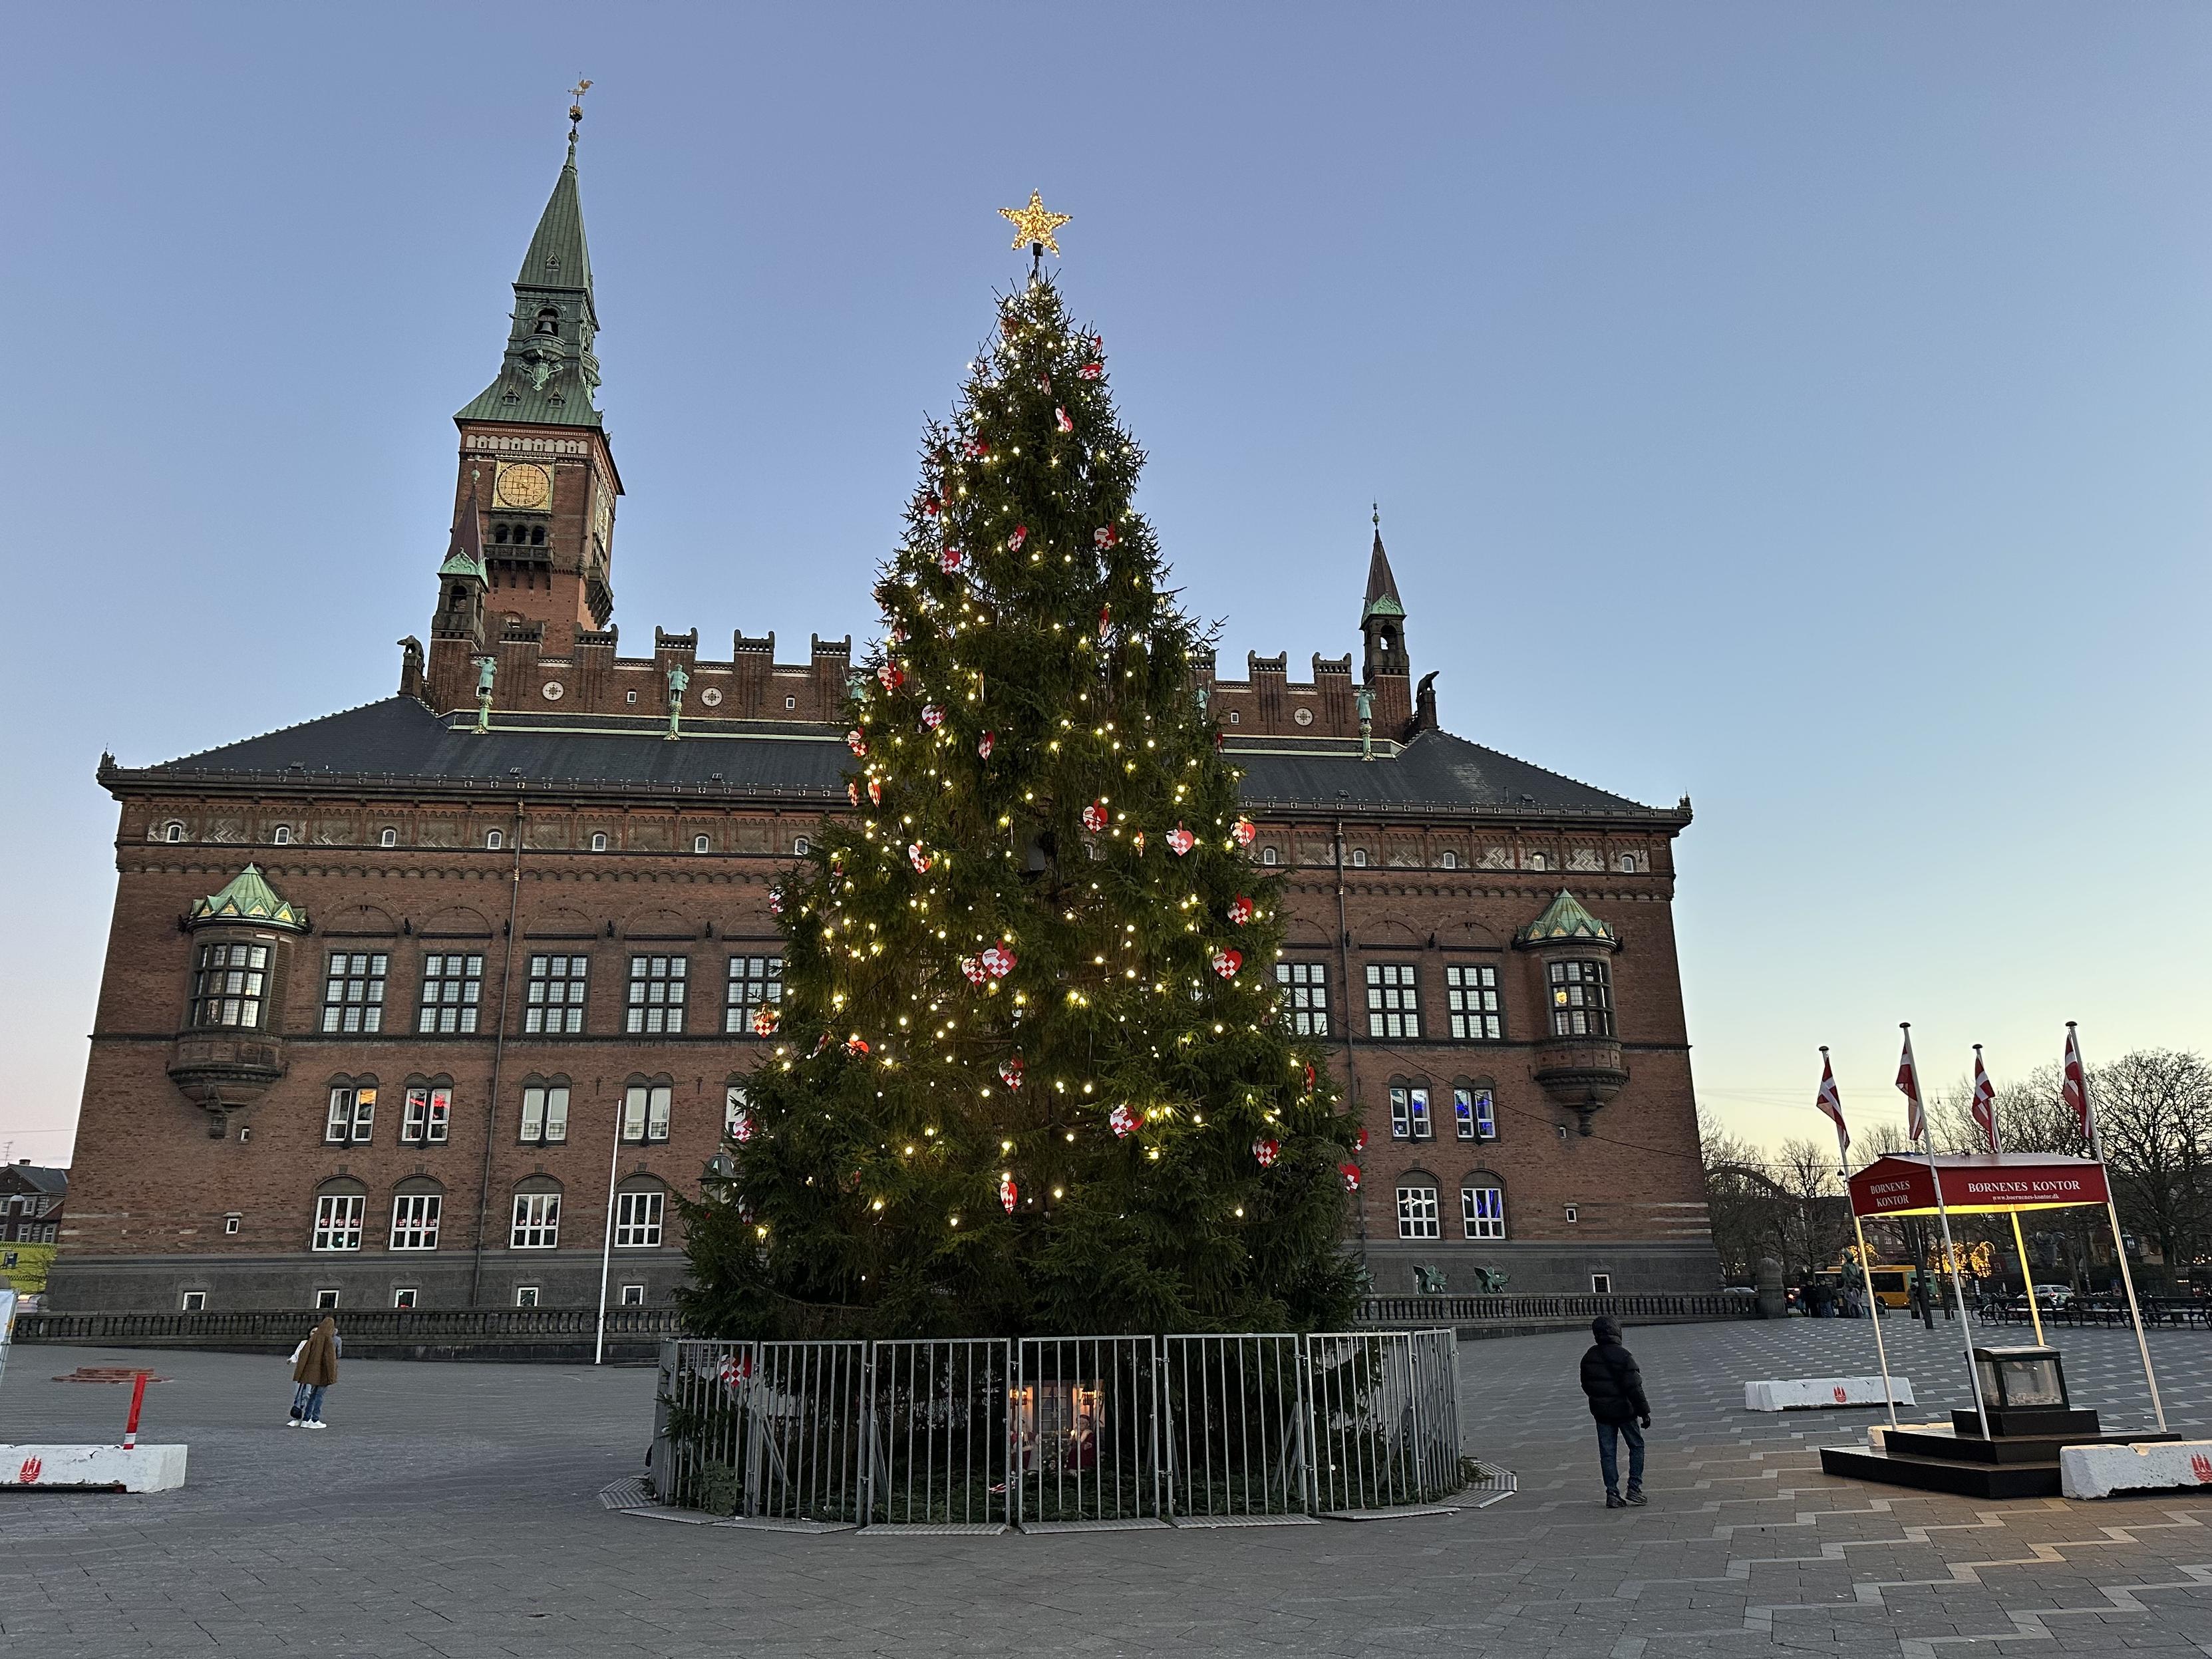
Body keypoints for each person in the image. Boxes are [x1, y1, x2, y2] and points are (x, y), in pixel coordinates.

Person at [1579, 1315, 1652, 1508]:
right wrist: (1644, 1412)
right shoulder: (1624, 1356)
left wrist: (1599, 1399)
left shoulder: (1589, 1357)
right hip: (1625, 1411)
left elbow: (1586, 1385)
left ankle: (1612, 1493)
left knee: (1607, 1452)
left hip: (1602, 1413)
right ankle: (1634, 1488)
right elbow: (1635, 1387)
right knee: (1636, 1446)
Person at [288, 1314, 341, 1428]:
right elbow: (330, 1359)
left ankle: (306, 1419)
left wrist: (301, 1372)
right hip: (323, 1373)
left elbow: (303, 1354)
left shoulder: (313, 1339)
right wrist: (332, 1376)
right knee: (319, 1397)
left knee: (312, 1395)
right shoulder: (328, 1340)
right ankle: (315, 1419)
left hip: (311, 1373)